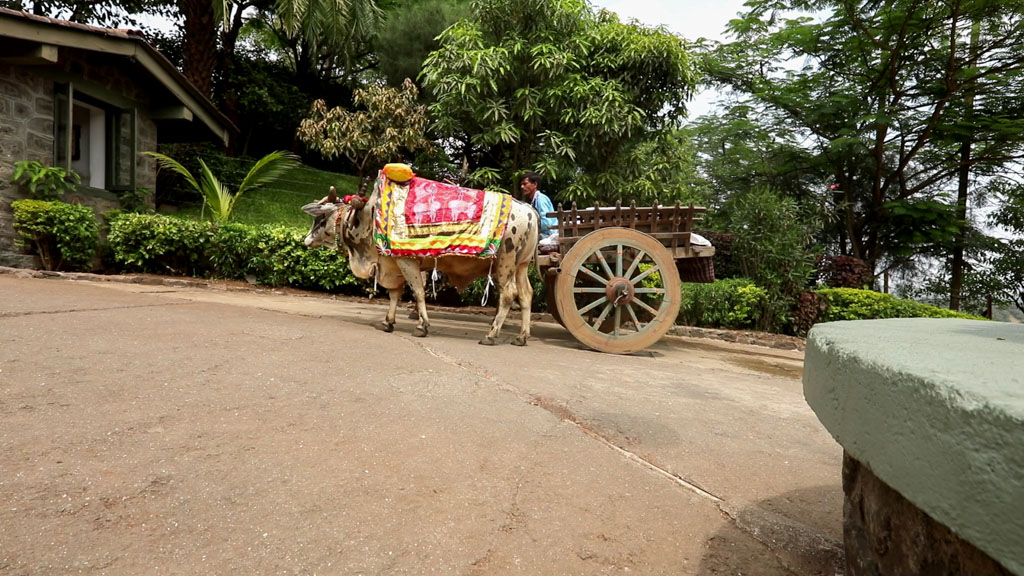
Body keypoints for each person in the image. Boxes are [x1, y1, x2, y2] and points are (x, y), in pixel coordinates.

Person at [519, 172, 557, 240]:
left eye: (525, 184)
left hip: (548, 236)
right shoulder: (535, 200)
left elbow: (546, 224)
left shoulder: (540, 199)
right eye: (521, 184)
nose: (522, 187)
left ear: (535, 184)